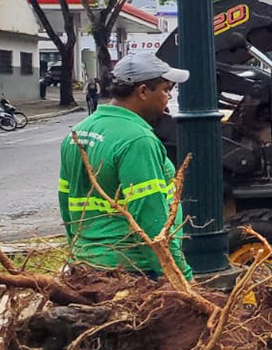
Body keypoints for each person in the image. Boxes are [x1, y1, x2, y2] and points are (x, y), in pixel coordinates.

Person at [59, 52, 192, 278]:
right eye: (165, 89)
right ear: (142, 92)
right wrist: (181, 278)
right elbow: (151, 220)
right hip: (132, 269)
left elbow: (66, 202)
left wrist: (79, 254)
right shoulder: (138, 141)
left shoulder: (79, 132)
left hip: (86, 264)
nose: (168, 97)